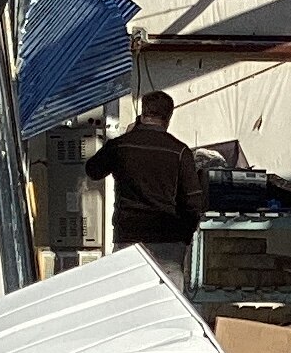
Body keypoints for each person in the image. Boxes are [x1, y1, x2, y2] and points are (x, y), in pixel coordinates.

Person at [83, 90, 207, 288]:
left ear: (142, 114)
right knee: (167, 305)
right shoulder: (180, 151)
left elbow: (93, 170)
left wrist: (128, 134)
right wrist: (184, 236)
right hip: (168, 242)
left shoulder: (121, 146)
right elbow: (193, 202)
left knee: (129, 304)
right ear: (169, 117)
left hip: (129, 238)